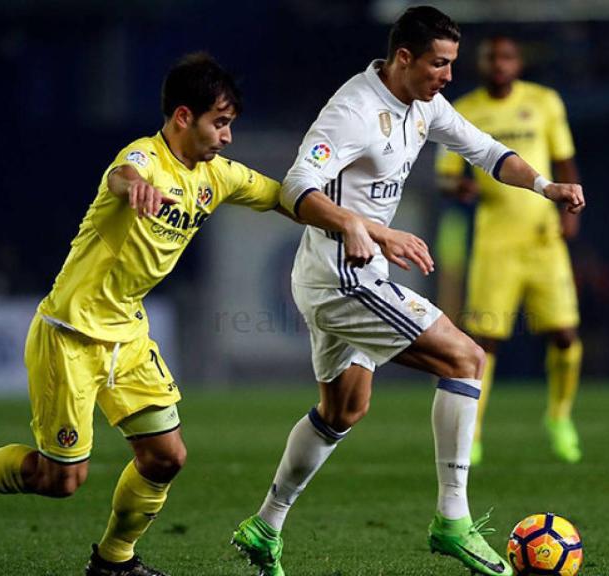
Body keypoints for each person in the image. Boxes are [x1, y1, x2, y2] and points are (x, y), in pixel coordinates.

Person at [231, 8, 585, 576]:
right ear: (403, 58)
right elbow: (297, 185)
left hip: (344, 272)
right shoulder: (353, 110)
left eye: (451, 64)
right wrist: (359, 225)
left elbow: (489, 152)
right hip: (340, 274)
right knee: (466, 357)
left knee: (343, 408)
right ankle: (453, 522)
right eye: (439, 64)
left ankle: (265, 524)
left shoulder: (424, 104)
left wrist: (547, 186)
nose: (448, 76)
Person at [0, 53, 288, 576]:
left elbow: (281, 196)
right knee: (61, 480)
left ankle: (114, 563)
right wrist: (132, 187)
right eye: (219, 122)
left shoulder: (215, 176)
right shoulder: (143, 158)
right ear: (184, 117)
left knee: (166, 456)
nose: (227, 137)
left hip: (127, 335)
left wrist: (354, 222)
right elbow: (122, 175)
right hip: (69, 336)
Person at [435, 35, 585, 465]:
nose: (499, 64)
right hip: (494, 241)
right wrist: (458, 185)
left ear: (518, 62)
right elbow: (446, 175)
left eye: (506, 57)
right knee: (486, 342)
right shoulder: (465, 110)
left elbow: (565, 159)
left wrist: (570, 211)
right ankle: (474, 433)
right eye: (491, 58)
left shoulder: (545, 102)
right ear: (480, 65)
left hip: (543, 239)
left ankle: (559, 417)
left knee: (565, 334)